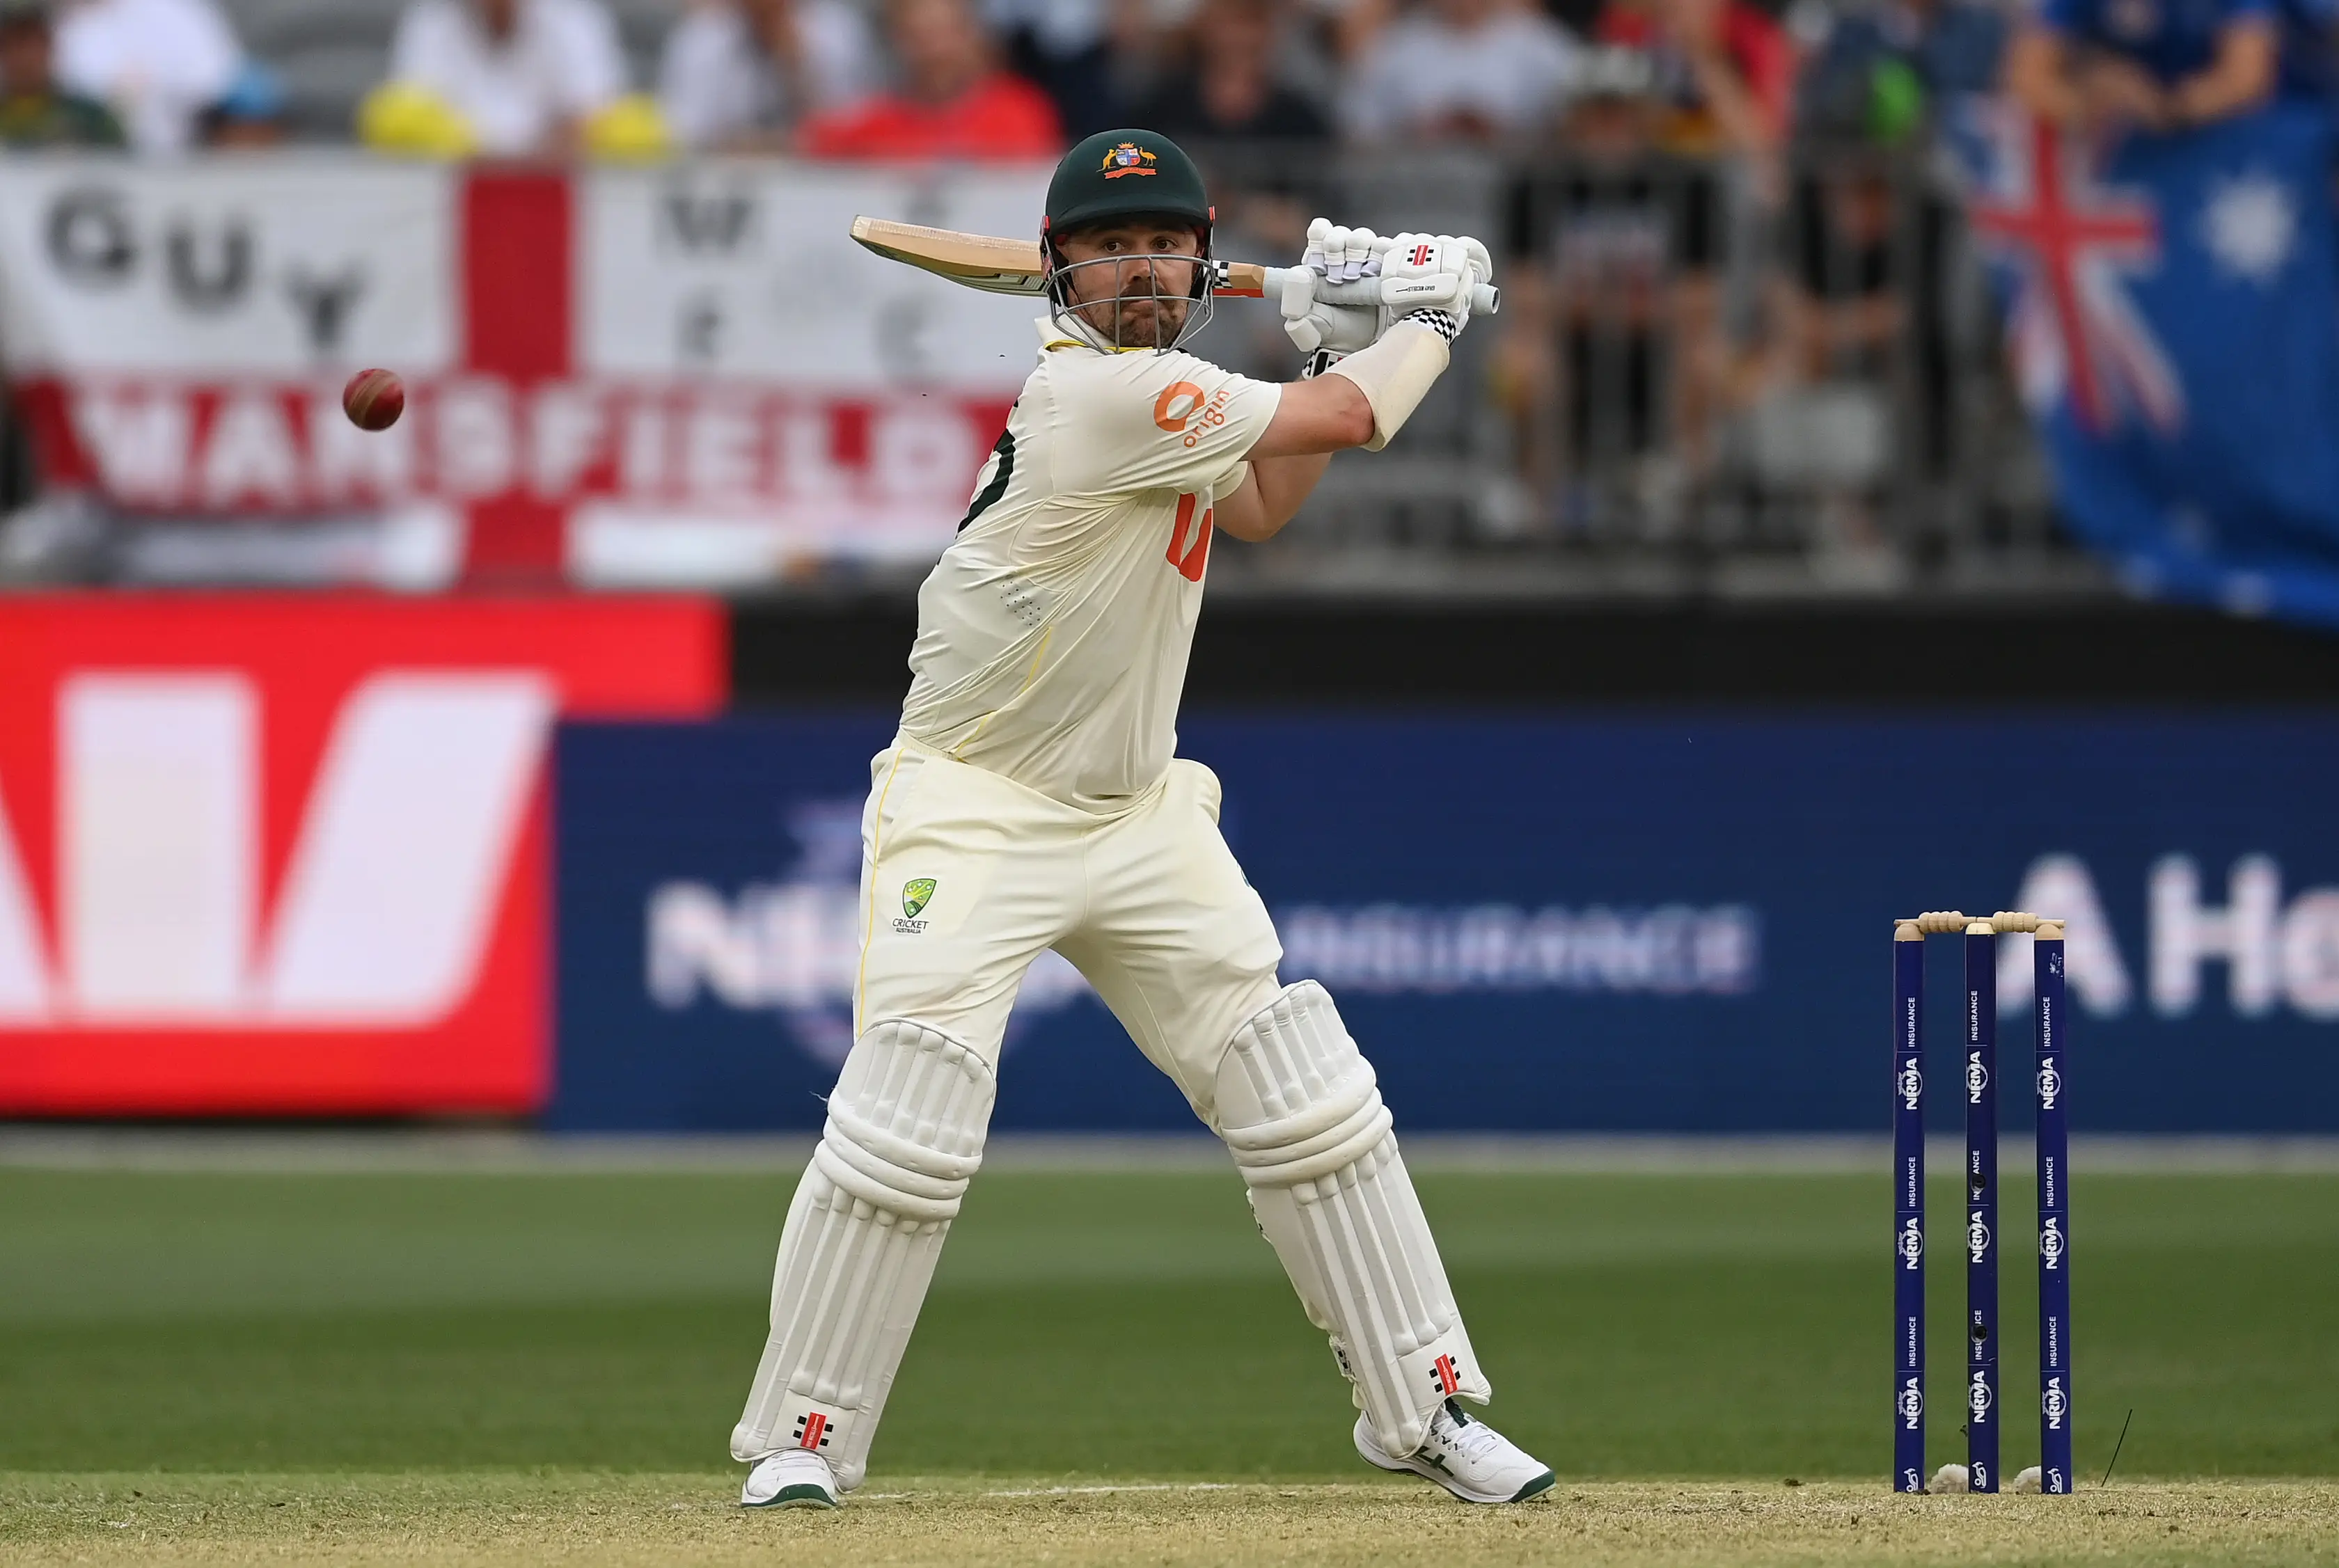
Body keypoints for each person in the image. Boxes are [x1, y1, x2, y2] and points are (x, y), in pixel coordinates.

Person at [727, 127, 1550, 1514]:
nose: (1141, 266)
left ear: (1198, 257)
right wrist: (1424, 313)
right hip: (974, 808)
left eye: (1164, 245)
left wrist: (1334, 342)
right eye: (1110, 247)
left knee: (1305, 1086)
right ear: (1061, 272)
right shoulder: (1096, 399)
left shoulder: (1166, 394)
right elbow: (1352, 420)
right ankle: (804, 1434)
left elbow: (1277, 490)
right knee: (910, 1106)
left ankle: (1428, 1408)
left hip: (1137, 812)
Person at [798, 0, 1062, 159]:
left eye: (944, 34)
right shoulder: (875, 122)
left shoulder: (1020, 111)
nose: (934, 51)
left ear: (971, 36)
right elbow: (807, 147)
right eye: (917, 36)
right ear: (897, 41)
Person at [379, 0, 631, 157]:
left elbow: (595, 117)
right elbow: (412, 119)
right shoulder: (428, 22)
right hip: (447, 201)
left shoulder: (575, 17)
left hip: (555, 196)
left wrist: (514, 164)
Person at [2006, 0, 2278, 132]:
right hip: (2111, 160)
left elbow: (2248, 77)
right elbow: (2027, 76)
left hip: (2213, 140)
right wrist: (2086, 102)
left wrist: (2167, 107)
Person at [1341, 0, 1582, 143]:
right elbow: (1361, 128)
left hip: (1516, 200)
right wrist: (1418, 133)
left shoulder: (1541, 43)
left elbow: (1576, 121)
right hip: (1416, 196)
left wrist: (1505, 135)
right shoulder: (1395, 45)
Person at [657, 0, 881, 152]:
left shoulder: (837, 29)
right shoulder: (703, 35)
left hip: (819, 181)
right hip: (726, 178)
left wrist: (796, 67)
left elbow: (851, 130)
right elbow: (683, 134)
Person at [52, 0, 244, 154]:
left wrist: (154, 87)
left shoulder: (178, 10)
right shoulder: (65, 25)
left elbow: (219, 75)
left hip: (190, 146)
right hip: (97, 151)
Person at [1131, 0, 1332, 142]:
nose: (1242, 38)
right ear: (1206, 30)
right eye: (1231, 25)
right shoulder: (1165, 104)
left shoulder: (1298, 116)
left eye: (1254, 24)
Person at [0, 1, 124, 148]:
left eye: (30, 43)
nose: (22, 57)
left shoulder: (90, 118)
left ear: (49, 46)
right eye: (11, 45)